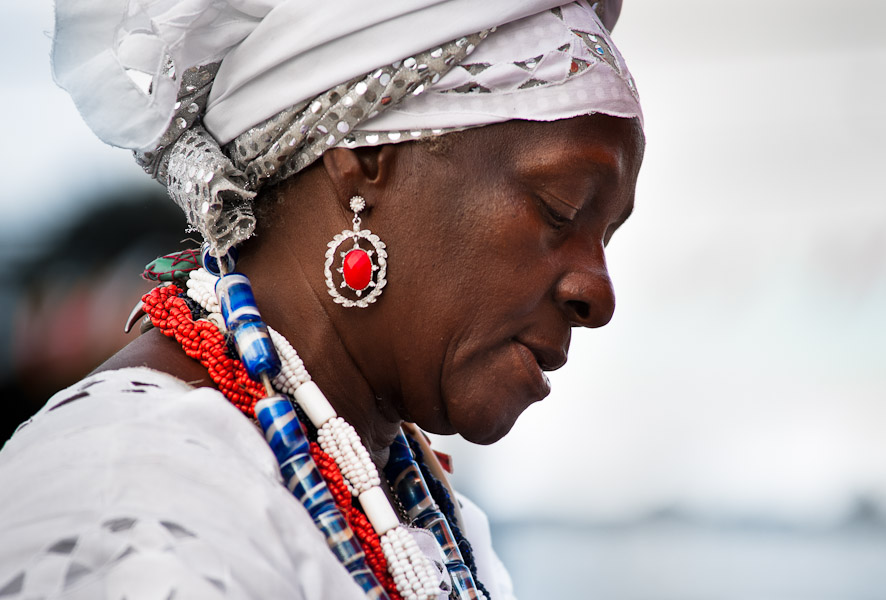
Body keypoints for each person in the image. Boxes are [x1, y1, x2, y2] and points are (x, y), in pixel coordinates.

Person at [0, 1, 644, 598]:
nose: (599, 292)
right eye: (560, 209)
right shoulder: (131, 498)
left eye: (607, 237)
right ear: (365, 159)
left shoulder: (422, 511)